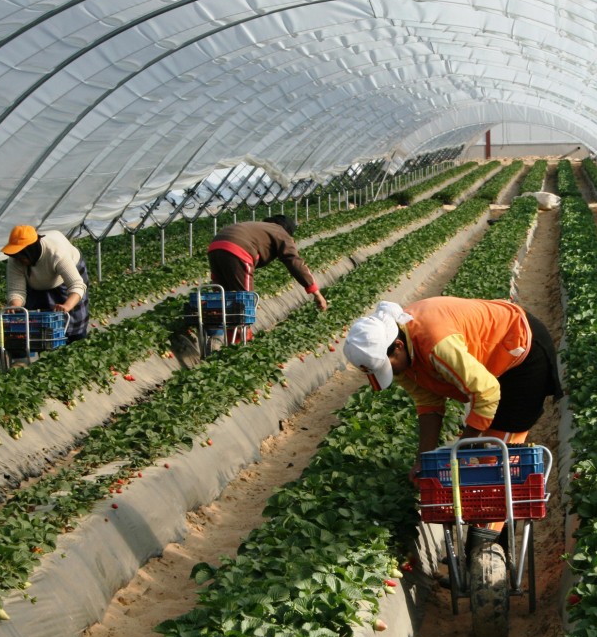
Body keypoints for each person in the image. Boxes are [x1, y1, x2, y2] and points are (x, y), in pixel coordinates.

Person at [343, 297, 563, 556]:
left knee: (494, 459)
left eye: (385, 367)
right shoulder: (400, 359)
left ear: (399, 347)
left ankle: (484, 553)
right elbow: (429, 405)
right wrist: (423, 461)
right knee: (480, 460)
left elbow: (488, 391)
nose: (391, 374)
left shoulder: (436, 344)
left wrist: (464, 448)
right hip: (491, 369)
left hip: (521, 355)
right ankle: (483, 554)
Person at [207, 215, 328, 312]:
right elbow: (294, 261)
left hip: (214, 247)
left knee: (221, 297)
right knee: (244, 302)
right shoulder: (281, 232)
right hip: (238, 250)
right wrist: (315, 292)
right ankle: (241, 339)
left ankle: (215, 336)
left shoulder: (260, 227)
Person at [1, 225, 90, 342]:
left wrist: (67, 306)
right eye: (16, 256)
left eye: (22, 256)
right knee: (38, 324)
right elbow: (16, 291)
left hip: (63, 278)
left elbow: (77, 286)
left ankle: (76, 344)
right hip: (36, 283)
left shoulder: (56, 252)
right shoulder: (15, 260)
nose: (19, 259)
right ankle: (45, 347)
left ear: (31, 250)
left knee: (73, 319)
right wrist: (16, 306)